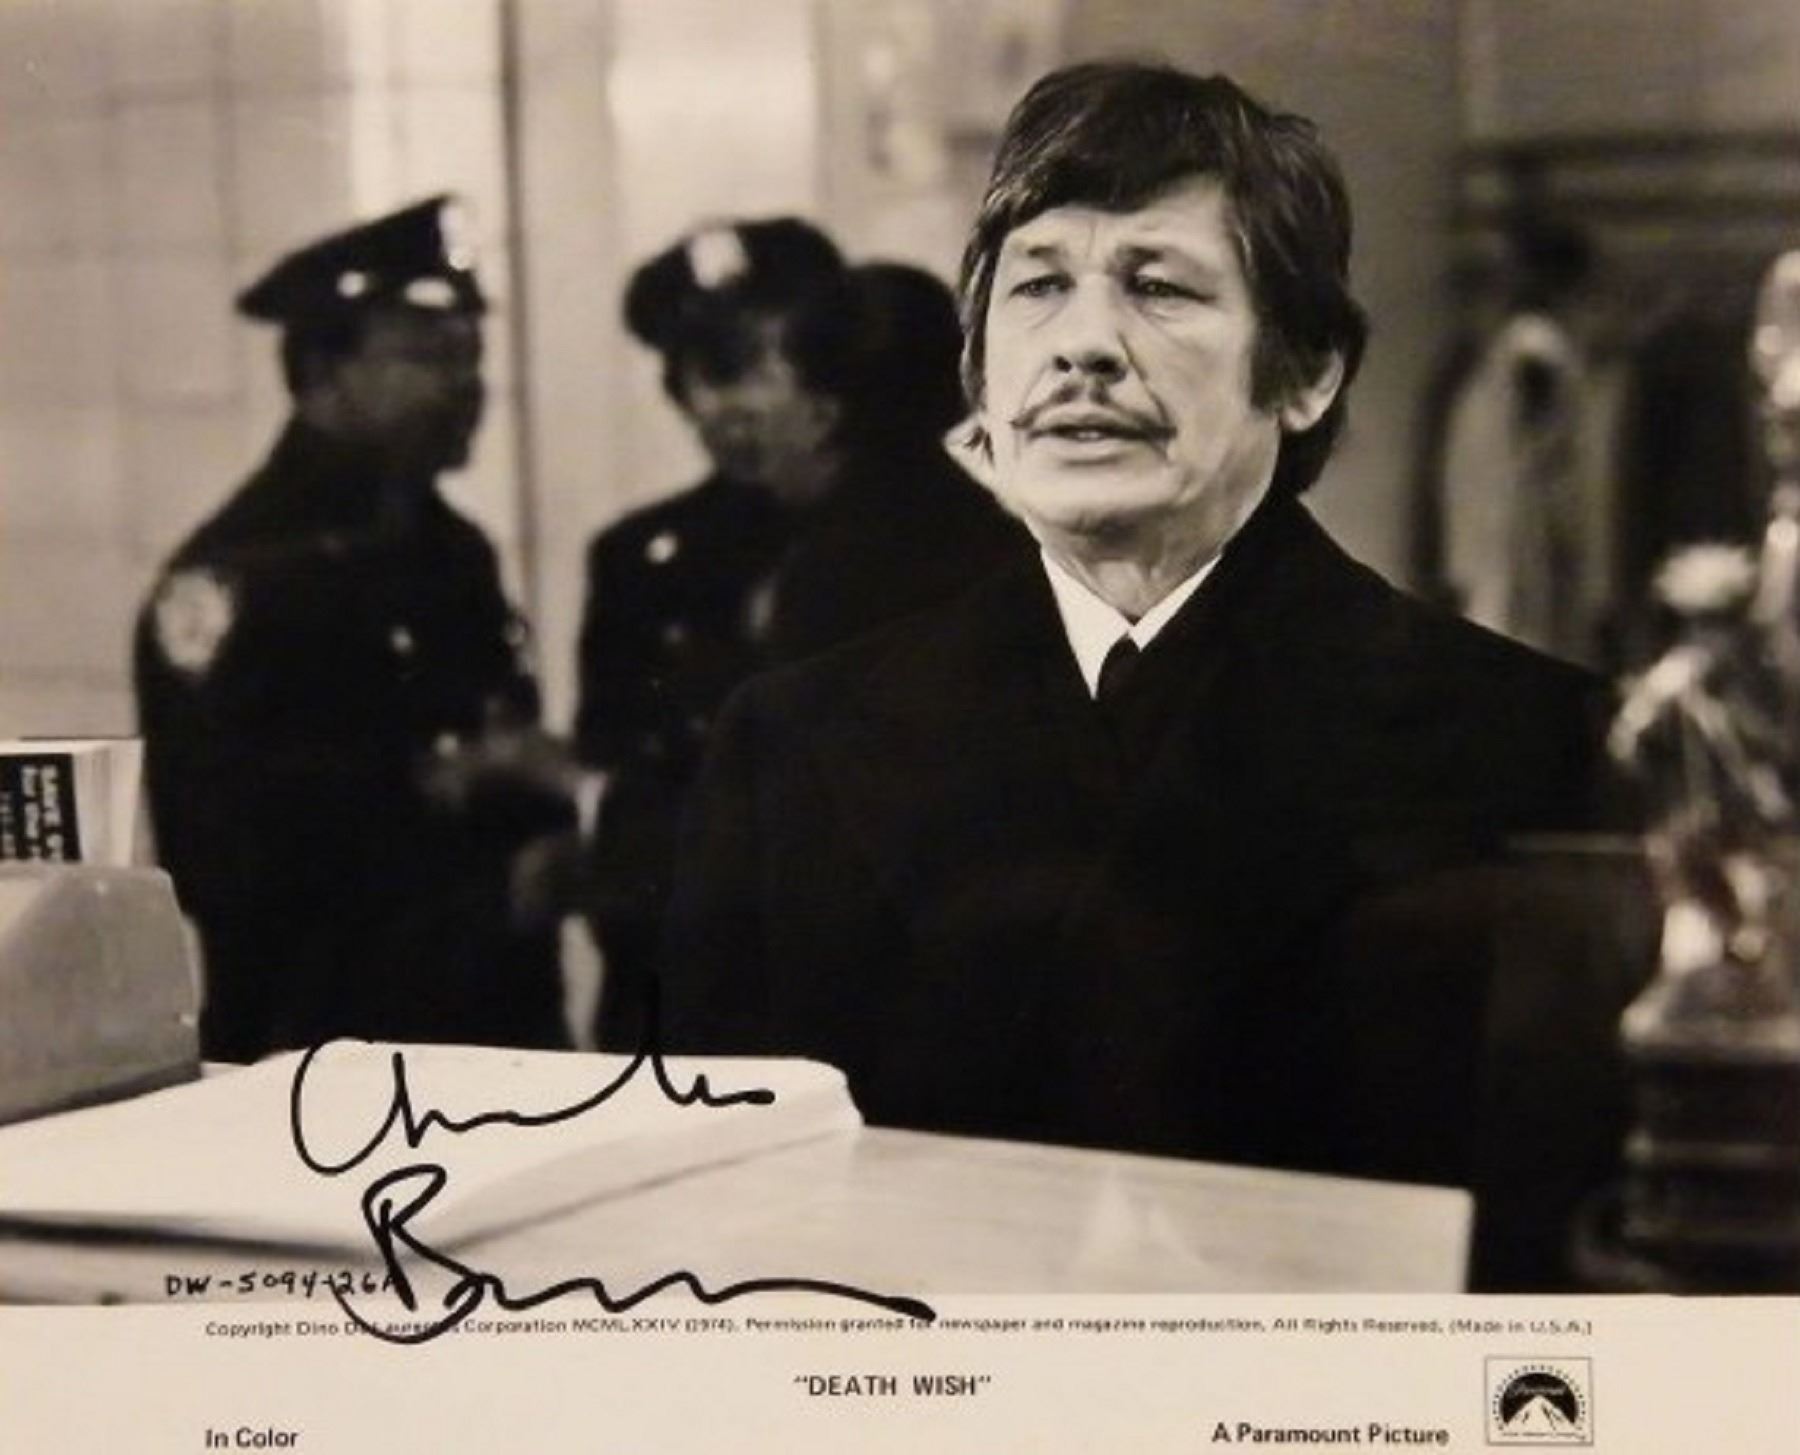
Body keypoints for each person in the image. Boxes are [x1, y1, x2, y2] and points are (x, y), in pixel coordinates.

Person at [660, 65, 1613, 1273]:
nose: (1085, 347)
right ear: (978, 369)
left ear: (1307, 370)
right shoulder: (792, 746)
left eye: (1159, 288)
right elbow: (726, 1239)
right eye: (1039, 286)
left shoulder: (1530, 747)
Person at [134, 195, 572, 1062]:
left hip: (495, 1034)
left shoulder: (455, 551)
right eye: (429, 357)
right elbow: (222, 854)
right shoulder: (239, 575)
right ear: (322, 374)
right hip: (326, 1052)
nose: (466, 386)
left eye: (472, 356)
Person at [575, 225, 1021, 1043]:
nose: (719, 406)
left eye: (748, 364)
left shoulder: (877, 551)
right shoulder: (650, 555)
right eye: (694, 376)